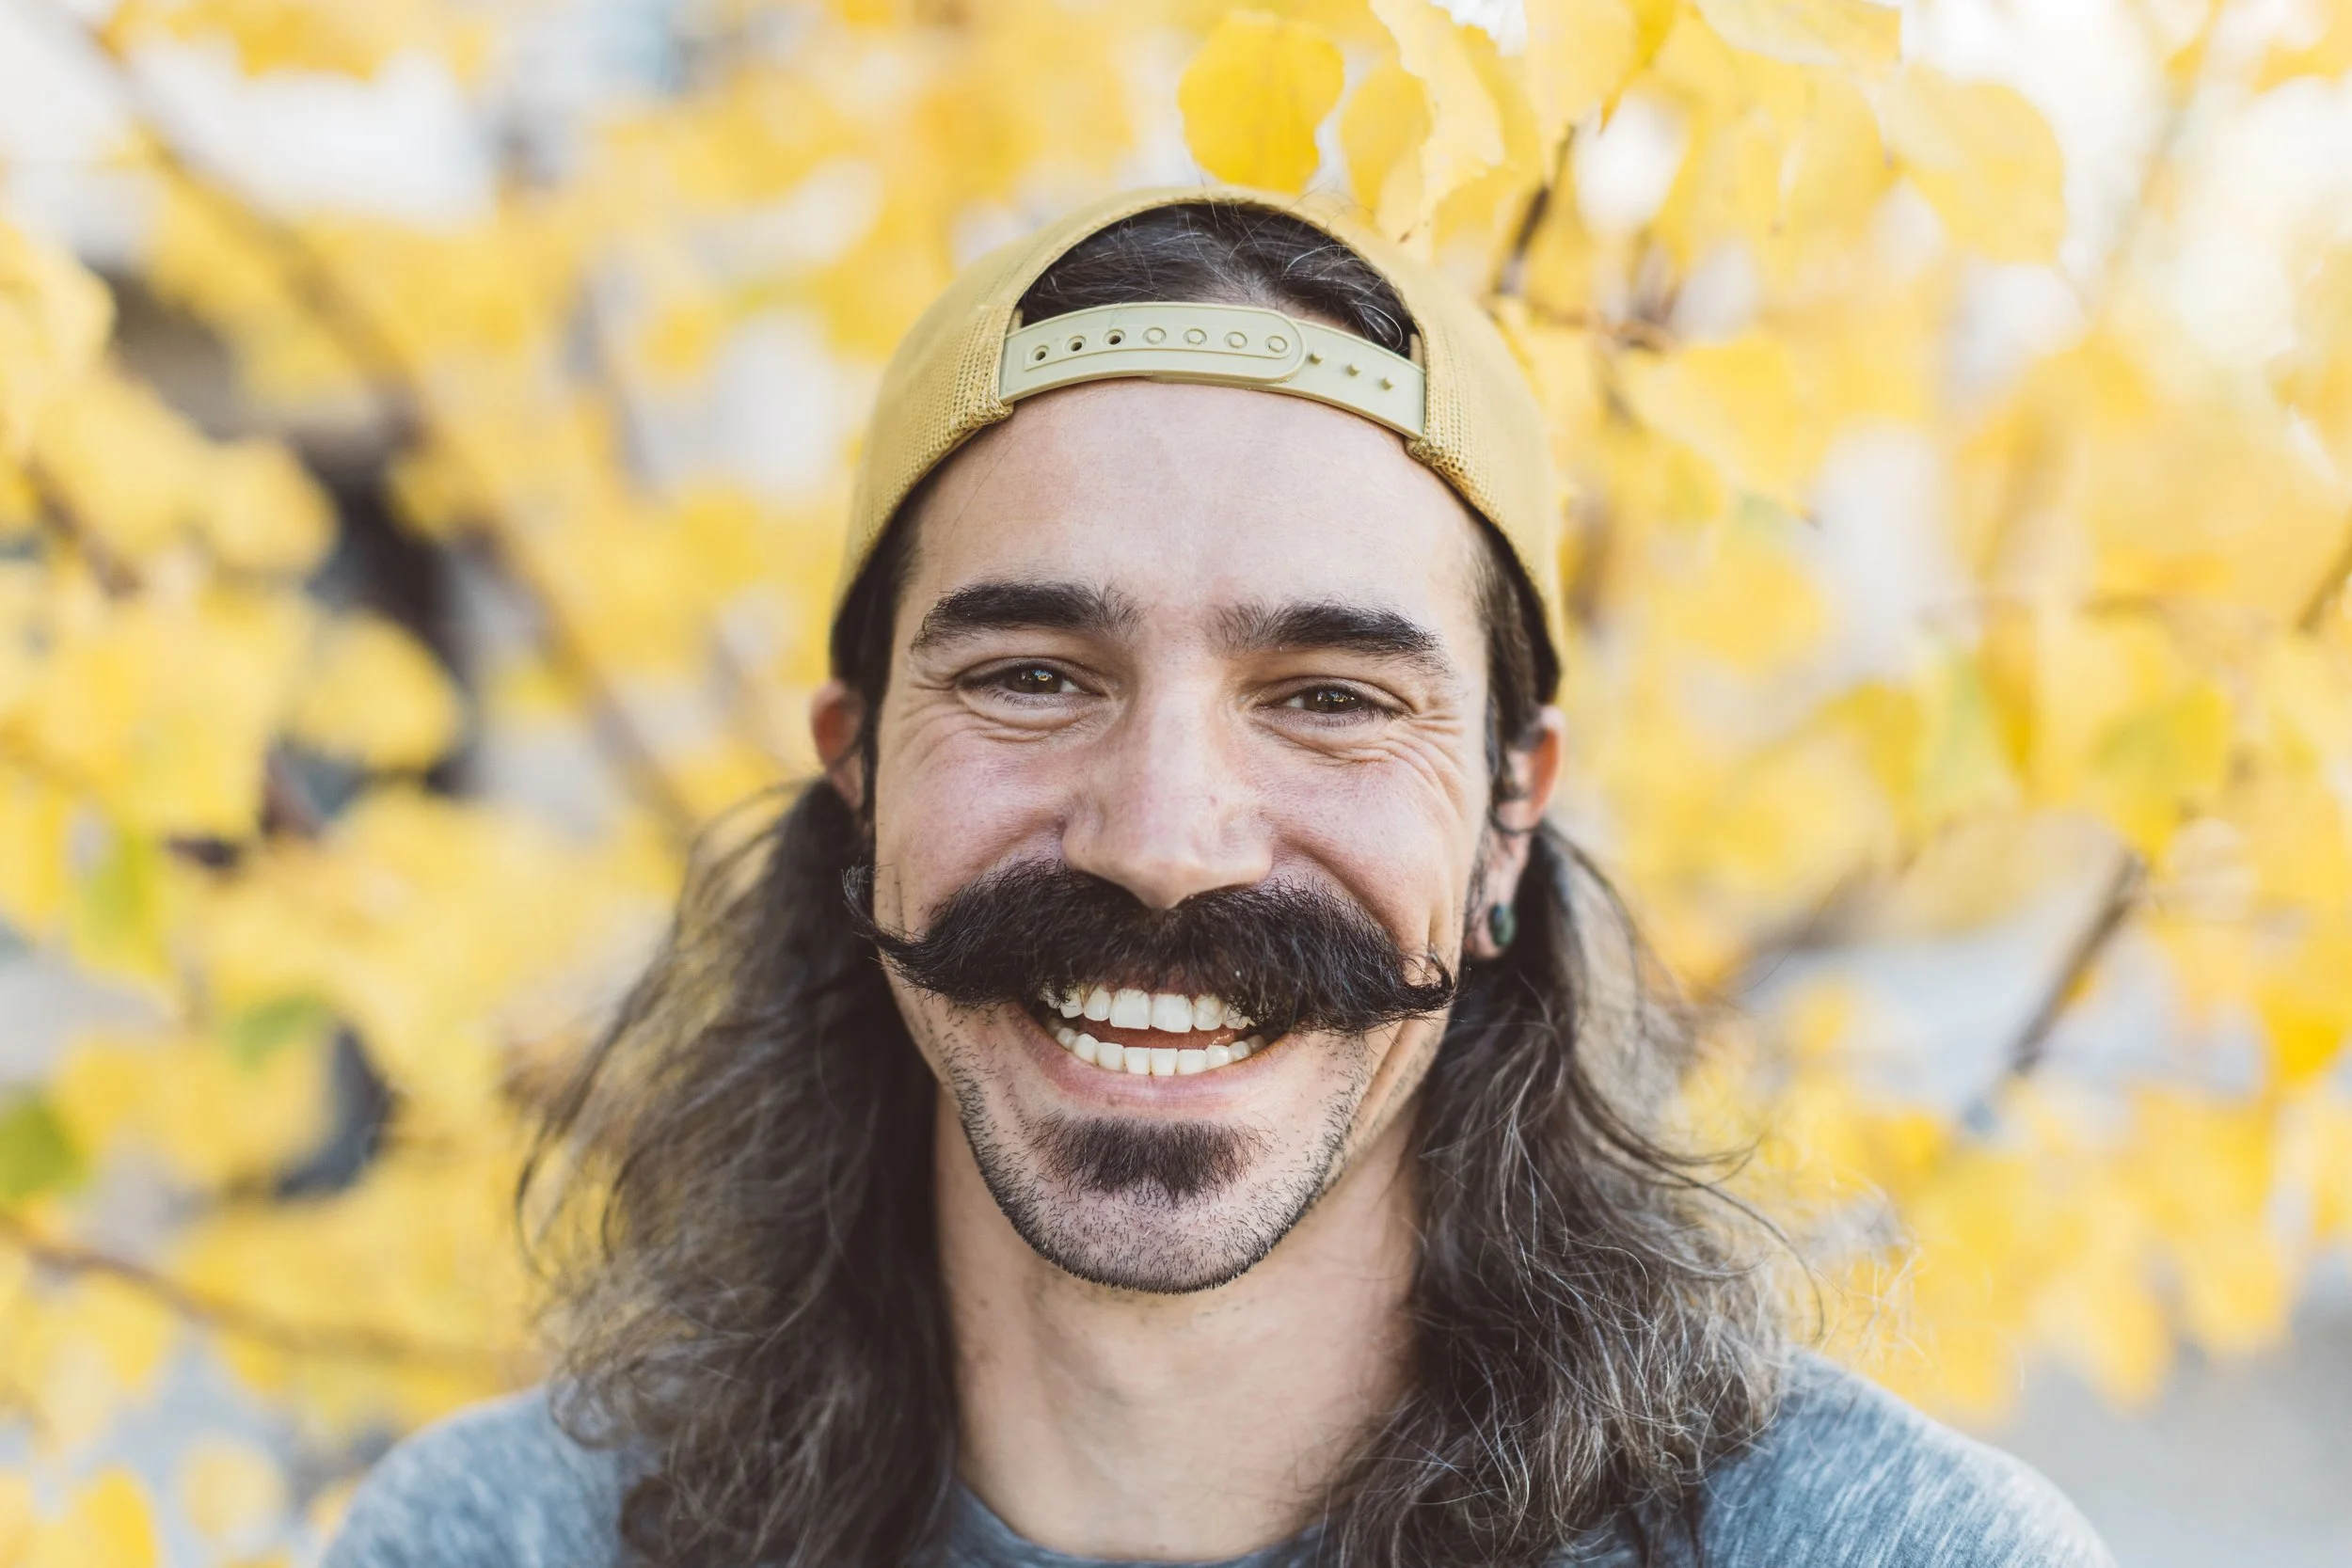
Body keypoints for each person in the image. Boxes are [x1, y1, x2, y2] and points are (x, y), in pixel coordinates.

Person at [324, 189, 2113, 1568]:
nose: (1167, 836)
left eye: (1330, 700)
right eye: (1033, 676)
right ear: (856, 766)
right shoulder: (501, 1537)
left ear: (1509, 817)